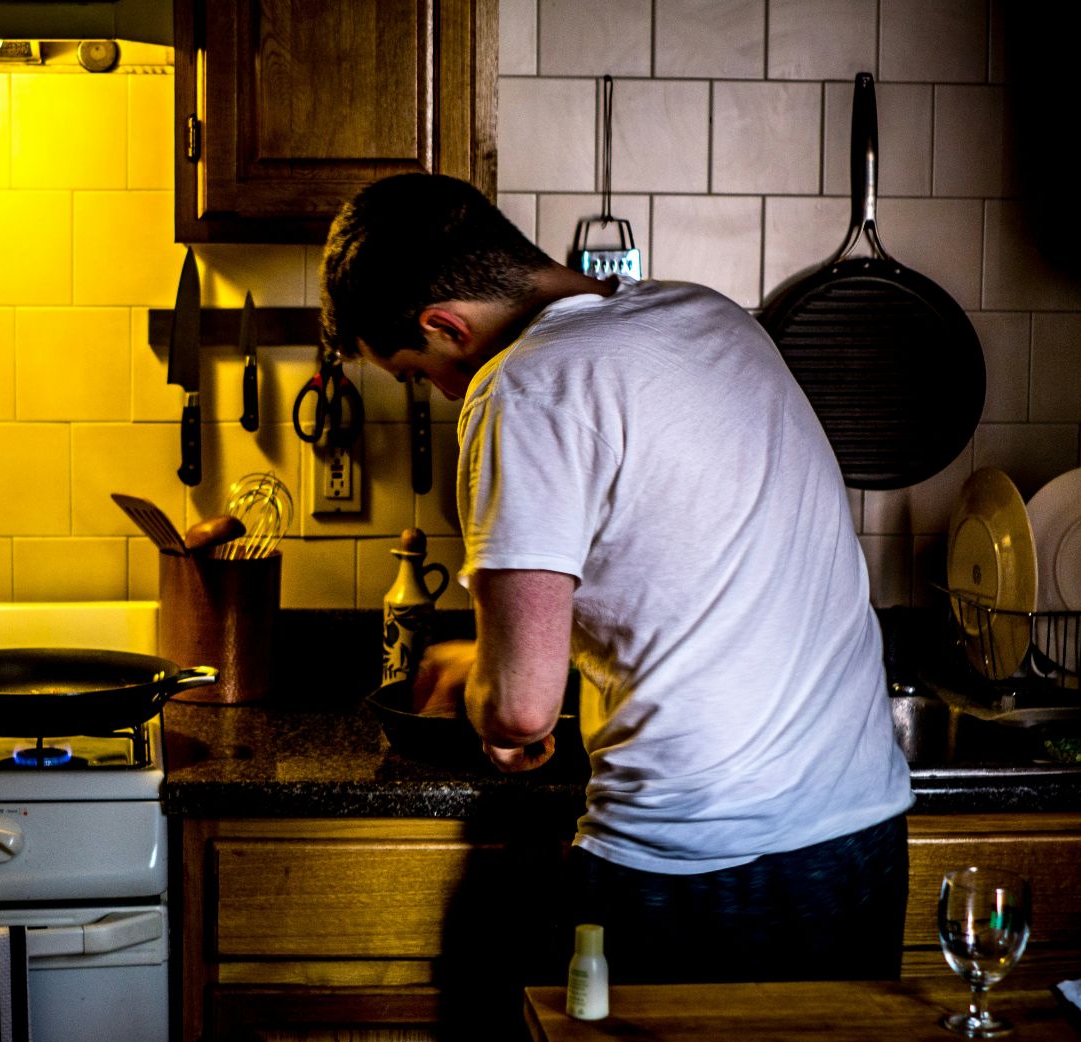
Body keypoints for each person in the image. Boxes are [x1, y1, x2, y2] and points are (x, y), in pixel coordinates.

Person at [319, 173, 915, 983]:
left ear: (444, 325)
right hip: (858, 831)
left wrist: (480, 691)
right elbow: (681, 574)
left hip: (695, 856)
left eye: (417, 371)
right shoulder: (706, 315)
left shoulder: (522, 387)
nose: (437, 390)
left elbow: (522, 710)